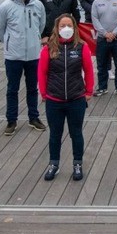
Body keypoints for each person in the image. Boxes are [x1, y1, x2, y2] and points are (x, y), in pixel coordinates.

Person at [38, 14, 94, 181]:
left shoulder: (81, 47)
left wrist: (89, 91)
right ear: (57, 28)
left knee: (76, 133)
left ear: (74, 27)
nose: (66, 29)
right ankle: (53, 164)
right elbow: (42, 72)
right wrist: (43, 93)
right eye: (62, 26)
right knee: (55, 133)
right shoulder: (48, 48)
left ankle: (77, 163)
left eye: (69, 25)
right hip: (54, 99)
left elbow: (89, 70)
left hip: (76, 98)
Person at [0, 0, 48, 136]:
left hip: (33, 54)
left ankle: (33, 117)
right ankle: (11, 120)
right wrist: (10, 42)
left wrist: (34, 39)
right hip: (13, 55)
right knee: (12, 89)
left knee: (32, 88)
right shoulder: (5, 6)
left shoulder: (38, 5)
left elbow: (41, 25)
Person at [92, 0, 117, 97]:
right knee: (101, 65)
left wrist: (114, 33)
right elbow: (95, 20)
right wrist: (105, 33)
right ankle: (102, 87)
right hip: (102, 38)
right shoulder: (97, 2)